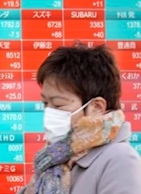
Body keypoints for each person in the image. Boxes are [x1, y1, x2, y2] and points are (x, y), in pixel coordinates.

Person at [19, 43, 141, 194]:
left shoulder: (119, 160)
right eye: (45, 103)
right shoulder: (53, 159)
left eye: (58, 105)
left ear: (96, 107)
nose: (49, 112)